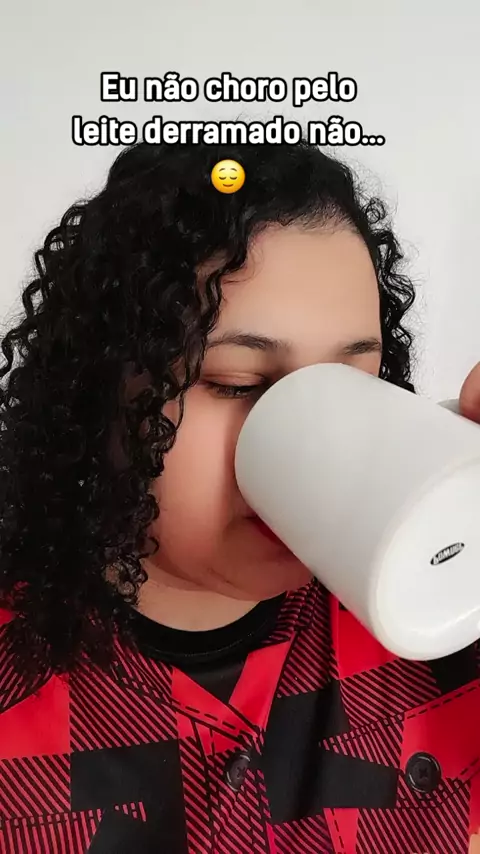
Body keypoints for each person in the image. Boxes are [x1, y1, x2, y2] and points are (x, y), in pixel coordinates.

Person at [1, 140, 480, 854]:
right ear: (99, 394)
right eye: (237, 383)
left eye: (354, 380)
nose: (324, 444)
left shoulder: (447, 627)